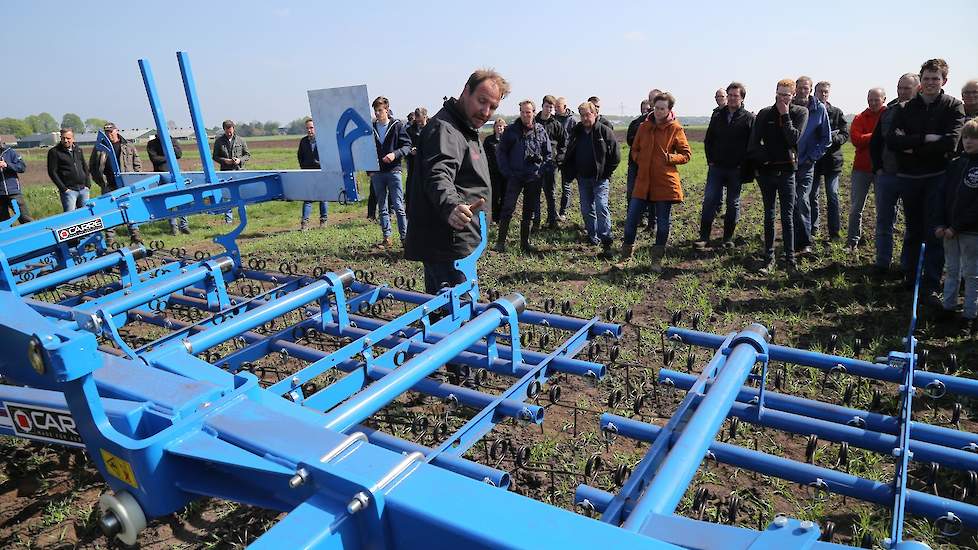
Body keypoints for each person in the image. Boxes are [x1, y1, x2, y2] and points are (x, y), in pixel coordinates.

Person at [404, 69, 510, 294]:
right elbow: (438, 174)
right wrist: (450, 204)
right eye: (482, 101)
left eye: (493, 107)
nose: (486, 111)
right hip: (448, 243)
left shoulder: (465, 127)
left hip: (459, 239)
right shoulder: (446, 129)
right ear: (465, 91)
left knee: (455, 315)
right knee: (454, 318)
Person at [886, 58, 966, 295]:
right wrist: (927, 138)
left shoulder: (953, 106)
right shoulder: (906, 108)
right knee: (912, 229)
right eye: (927, 78)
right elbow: (893, 141)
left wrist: (911, 145)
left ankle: (931, 282)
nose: (931, 82)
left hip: (937, 176)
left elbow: (951, 142)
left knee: (934, 230)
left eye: (935, 78)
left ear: (944, 81)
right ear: (920, 81)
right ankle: (910, 278)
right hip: (909, 177)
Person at [748, 78, 809, 274]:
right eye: (779, 93)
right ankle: (769, 259)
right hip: (767, 174)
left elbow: (793, 138)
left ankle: (790, 260)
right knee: (769, 216)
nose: (782, 97)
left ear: (793, 95)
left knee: (788, 217)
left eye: (786, 94)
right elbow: (754, 144)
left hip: (787, 174)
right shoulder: (765, 114)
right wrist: (763, 162)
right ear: (775, 92)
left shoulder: (800, 112)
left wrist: (785, 116)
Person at [623, 92, 690, 272]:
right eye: (656, 108)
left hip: (665, 183)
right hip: (643, 180)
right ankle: (625, 257)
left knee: (662, 223)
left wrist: (669, 158)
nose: (658, 112)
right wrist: (640, 159)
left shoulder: (675, 128)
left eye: (662, 108)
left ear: (669, 110)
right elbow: (634, 149)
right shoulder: (644, 127)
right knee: (631, 220)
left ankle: (656, 260)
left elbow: (686, 154)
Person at [870, 73, 920, 276]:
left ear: (918, 88)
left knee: (912, 224)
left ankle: (907, 266)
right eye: (899, 88)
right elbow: (876, 143)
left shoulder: (924, 112)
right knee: (884, 221)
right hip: (888, 175)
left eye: (906, 88)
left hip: (913, 176)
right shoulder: (888, 112)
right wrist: (878, 168)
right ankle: (883, 263)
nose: (902, 92)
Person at [697, 82, 754, 249]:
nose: (732, 98)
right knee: (709, 200)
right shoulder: (718, 116)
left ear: (742, 98)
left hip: (736, 169)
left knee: (732, 203)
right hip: (717, 167)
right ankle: (704, 237)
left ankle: (727, 238)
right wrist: (711, 160)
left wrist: (744, 165)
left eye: (736, 96)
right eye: (729, 95)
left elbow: (752, 145)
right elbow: (709, 140)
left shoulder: (748, 118)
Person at [494, 99, 553, 253]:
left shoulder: (540, 130)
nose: (525, 115)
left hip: (533, 177)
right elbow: (501, 153)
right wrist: (506, 172)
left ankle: (524, 243)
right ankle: (500, 242)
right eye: (523, 112)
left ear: (533, 113)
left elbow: (548, 154)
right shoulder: (511, 131)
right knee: (508, 208)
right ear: (519, 113)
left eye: (528, 112)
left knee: (529, 210)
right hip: (515, 176)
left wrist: (541, 171)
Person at [935, 119, 978, 328]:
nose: (969, 142)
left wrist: (957, 226)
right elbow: (943, 195)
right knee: (951, 270)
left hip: (972, 232)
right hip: (949, 230)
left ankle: (970, 314)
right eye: (967, 137)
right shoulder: (956, 164)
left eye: (974, 138)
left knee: (971, 274)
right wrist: (941, 223)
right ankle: (948, 307)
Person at [564, 101, 621, 256]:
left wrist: (606, 173)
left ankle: (606, 239)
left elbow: (616, 156)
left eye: (587, 115)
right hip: (583, 178)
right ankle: (592, 236)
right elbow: (569, 152)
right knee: (586, 208)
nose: (585, 118)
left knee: (601, 207)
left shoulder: (604, 131)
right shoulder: (577, 132)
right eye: (582, 115)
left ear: (594, 114)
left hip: (600, 179)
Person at [791, 76, 831, 256]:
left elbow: (826, 139)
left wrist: (812, 157)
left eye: (805, 88)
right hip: (788, 164)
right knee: (790, 202)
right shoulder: (788, 107)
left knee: (803, 200)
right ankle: (791, 241)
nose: (802, 91)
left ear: (810, 89)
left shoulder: (819, 109)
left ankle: (805, 242)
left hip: (806, 164)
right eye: (799, 88)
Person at [369, 96, 413, 249]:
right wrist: (370, 170)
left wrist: (395, 154)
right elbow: (366, 150)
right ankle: (387, 237)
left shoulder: (397, 126)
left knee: (398, 206)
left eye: (380, 110)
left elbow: (407, 146)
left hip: (394, 171)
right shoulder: (371, 128)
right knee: (382, 207)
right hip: (377, 173)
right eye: (375, 110)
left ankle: (405, 238)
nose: (378, 113)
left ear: (387, 110)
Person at [846, 87, 886, 251]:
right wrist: (877, 135)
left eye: (877, 99)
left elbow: (890, 137)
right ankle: (852, 241)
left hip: (883, 169)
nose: (873, 102)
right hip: (861, 169)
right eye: (870, 99)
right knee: (856, 208)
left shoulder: (889, 115)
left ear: (884, 99)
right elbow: (856, 139)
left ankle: (882, 243)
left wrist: (868, 136)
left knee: (883, 208)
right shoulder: (860, 117)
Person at [91, 122, 144, 243]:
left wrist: (136, 180)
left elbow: (137, 164)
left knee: (130, 208)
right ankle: (110, 238)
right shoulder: (100, 148)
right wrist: (101, 182)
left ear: (116, 131)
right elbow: (93, 166)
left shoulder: (127, 146)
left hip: (126, 184)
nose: (109, 134)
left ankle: (135, 235)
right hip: (109, 184)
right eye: (106, 132)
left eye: (111, 131)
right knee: (108, 211)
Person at [810, 81, 849, 243]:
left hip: (832, 161)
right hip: (814, 161)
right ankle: (813, 228)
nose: (823, 94)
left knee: (832, 196)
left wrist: (833, 138)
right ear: (815, 93)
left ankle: (834, 232)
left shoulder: (836, 112)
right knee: (812, 196)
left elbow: (845, 134)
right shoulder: (810, 111)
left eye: (826, 92)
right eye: (820, 92)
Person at [533, 95, 567, 229]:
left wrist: (559, 158)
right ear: (542, 106)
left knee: (550, 192)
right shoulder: (534, 122)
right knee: (535, 192)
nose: (549, 109)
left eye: (551, 107)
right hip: (535, 163)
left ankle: (552, 220)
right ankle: (536, 221)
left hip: (551, 163)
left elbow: (564, 143)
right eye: (547, 106)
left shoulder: (556, 124)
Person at [147, 133, 188, 234]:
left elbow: (179, 155)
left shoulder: (172, 141)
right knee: (169, 202)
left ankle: (184, 225)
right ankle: (174, 227)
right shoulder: (152, 144)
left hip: (176, 174)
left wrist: (171, 151)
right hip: (162, 175)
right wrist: (169, 157)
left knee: (181, 200)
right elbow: (155, 159)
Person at [212, 120, 251, 223]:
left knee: (241, 194)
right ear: (224, 129)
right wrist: (225, 161)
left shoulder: (241, 140)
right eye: (227, 130)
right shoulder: (219, 141)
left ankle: (243, 217)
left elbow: (247, 155)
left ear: (233, 128)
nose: (229, 133)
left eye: (231, 130)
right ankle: (228, 220)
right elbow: (215, 156)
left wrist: (239, 160)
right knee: (227, 196)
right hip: (225, 171)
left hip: (239, 171)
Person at [626, 99, 655, 231]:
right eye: (643, 108)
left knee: (649, 193)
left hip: (649, 163)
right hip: (634, 162)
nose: (645, 110)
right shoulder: (635, 123)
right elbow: (630, 141)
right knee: (632, 191)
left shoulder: (655, 124)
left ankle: (649, 219)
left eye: (648, 108)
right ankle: (635, 218)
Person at [47, 128, 91, 213]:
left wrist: (87, 185)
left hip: (83, 189)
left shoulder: (78, 150)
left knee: (86, 215)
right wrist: (64, 189)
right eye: (63, 138)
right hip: (69, 191)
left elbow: (85, 167)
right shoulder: (54, 152)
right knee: (71, 217)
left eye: (68, 138)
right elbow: (52, 172)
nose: (66, 140)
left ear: (73, 138)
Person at [296, 118, 326, 231]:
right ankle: (305, 223)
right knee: (307, 198)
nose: (309, 130)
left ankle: (323, 221)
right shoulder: (303, 141)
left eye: (311, 127)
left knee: (323, 197)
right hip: (308, 173)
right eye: (307, 128)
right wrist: (303, 167)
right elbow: (300, 156)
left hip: (321, 172)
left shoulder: (322, 140)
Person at [554, 97, 578, 219]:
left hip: (567, 157)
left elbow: (575, 138)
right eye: (555, 107)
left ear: (565, 107)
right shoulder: (553, 119)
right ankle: (552, 213)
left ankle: (563, 211)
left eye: (558, 107)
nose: (556, 109)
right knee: (551, 186)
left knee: (566, 185)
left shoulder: (573, 120)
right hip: (554, 155)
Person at [0, 140, 31, 224]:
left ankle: (33, 234)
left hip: (13, 192)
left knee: (25, 218)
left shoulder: (10, 152)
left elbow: (22, 167)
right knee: (3, 222)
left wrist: (7, 165)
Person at [484, 117, 507, 221]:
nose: (499, 128)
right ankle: (495, 216)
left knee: (505, 193)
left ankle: (503, 216)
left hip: (506, 172)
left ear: (504, 127)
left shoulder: (507, 140)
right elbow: (484, 155)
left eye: (501, 126)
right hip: (493, 171)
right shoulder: (489, 140)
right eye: (497, 126)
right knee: (495, 194)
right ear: (494, 127)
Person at [405, 107, 428, 203]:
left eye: (421, 120)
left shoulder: (432, 128)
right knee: (411, 184)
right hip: (413, 162)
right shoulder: (410, 130)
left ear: (425, 117)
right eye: (417, 120)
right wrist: (411, 150)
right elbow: (405, 144)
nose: (419, 122)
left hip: (427, 162)